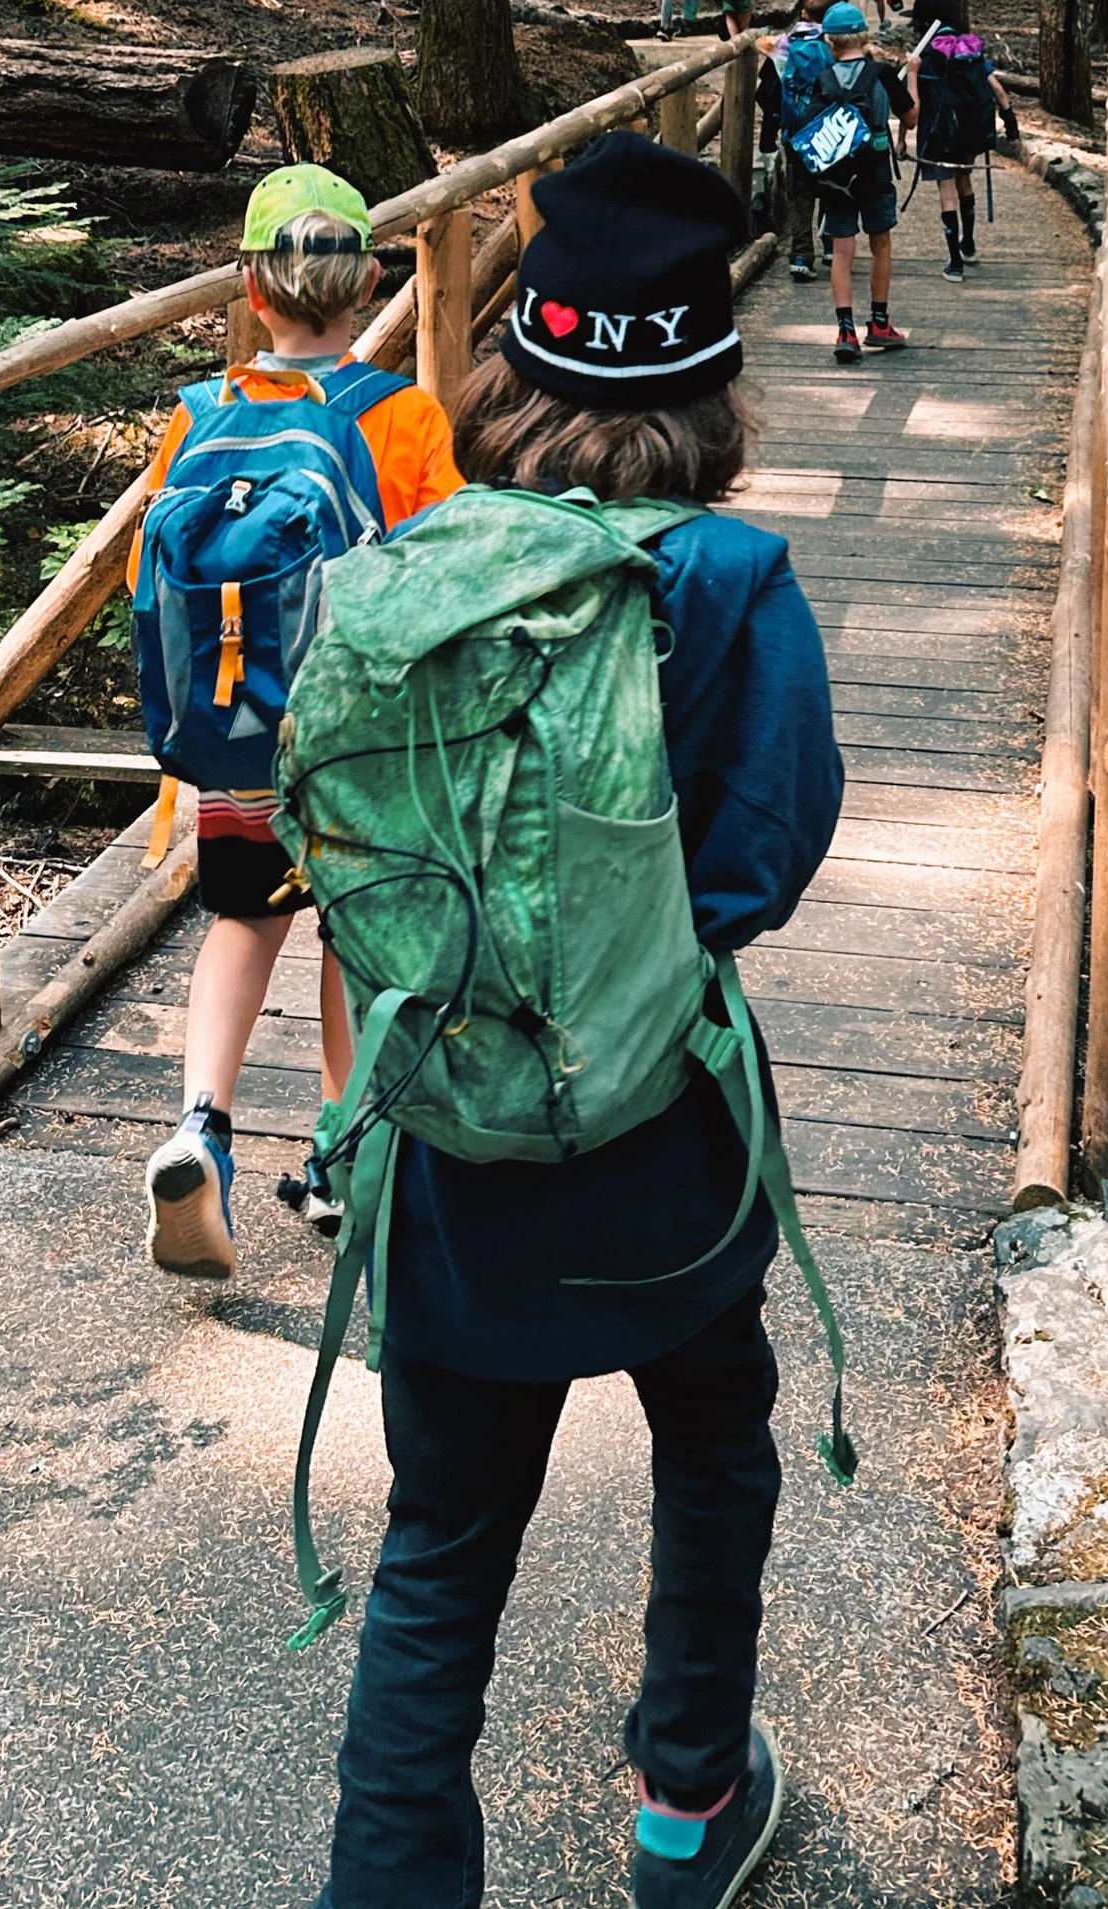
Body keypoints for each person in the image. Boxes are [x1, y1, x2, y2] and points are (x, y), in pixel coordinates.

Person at [312, 136, 843, 1909]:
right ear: (708, 376)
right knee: (714, 1429)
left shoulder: (420, 569)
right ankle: (687, 1800)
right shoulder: (729, 585)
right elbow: (765, 856)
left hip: (452, 1152)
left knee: (442, 1543)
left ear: (513, 358)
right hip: (668, 1149)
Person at [135, 165, 461, 1278]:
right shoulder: (402, 417)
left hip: (237, 731)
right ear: (370, 278)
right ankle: (342, 1147)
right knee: (350, 936)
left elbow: (156, 582)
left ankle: (201, 1129)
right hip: (360, 737)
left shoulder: (198, 414)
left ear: (248, 285)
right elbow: (439, 576)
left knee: (240, 920)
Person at [787, 0, 911, 363]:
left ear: (830, 43)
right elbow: (912, 117)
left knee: (842, 252)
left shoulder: (823, 80)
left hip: (838, 177)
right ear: (863, 35)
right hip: (875, 171)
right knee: (881, 245)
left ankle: (845, 331)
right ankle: (879, 323)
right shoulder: (884, 74)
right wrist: (914, 75)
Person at [904, 0, 1018, 278]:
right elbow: (997, 89)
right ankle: (968, 243)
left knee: (947, 194)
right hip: (968, 131)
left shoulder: (926, 56)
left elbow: (911, 106)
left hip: (938, 134)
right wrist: (1010, 125)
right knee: (964, 181)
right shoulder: (970, 50)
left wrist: (901, 140)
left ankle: (954, 262)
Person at [764, 0, 839, 279]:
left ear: (805, 12)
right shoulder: (837, 45)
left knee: (800, 194)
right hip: (830, 128)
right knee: (832, 186)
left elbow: (770, 90)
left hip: (795, 129)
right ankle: (831, 244)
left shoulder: (783, 45)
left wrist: (769, 133)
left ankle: (800, 255)